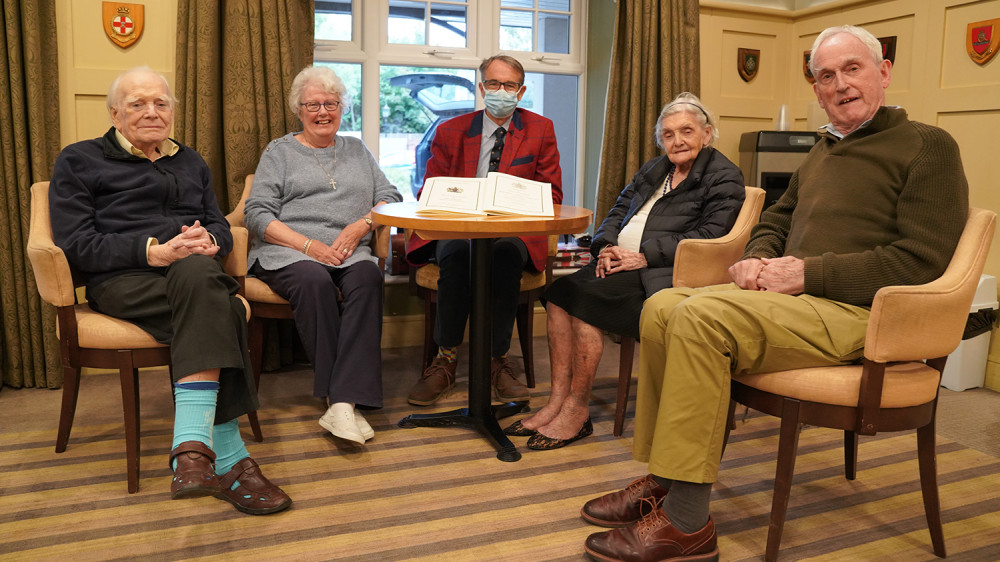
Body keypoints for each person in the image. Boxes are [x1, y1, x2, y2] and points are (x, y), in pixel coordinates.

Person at [580, 25, 969, 561]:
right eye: (825, 76)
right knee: (664, 304)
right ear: (816, 90)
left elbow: (922, 261)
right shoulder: (825, 149)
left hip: (864, 315)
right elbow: (776, 218)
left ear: (883, 72)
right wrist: (758, 258)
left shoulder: (928, 146)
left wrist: (809, 274)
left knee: (698, 320)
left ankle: (688, 523)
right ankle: (665, 480)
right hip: (794, 303)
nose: (839, 85)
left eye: (851, 69)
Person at [49, 66, 291, 515]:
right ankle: (229, 455)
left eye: (161, 103)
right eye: (138, 103)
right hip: (124, 280)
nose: (151, 112)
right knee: (225, 309)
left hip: (191, 273)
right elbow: (75, 244)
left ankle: (193, 455)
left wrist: (212, 240)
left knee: (201, 278)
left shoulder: (190, 160)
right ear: (115, 113)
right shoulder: (79, 160)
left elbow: (216, 219)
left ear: (172, 111)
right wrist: (153, 252)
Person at [504, 93, 745, 451]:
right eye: (668, 134)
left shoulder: (723, 175)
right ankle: (557, 401)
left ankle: (576, 409)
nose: (676, 141)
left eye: (686, 131)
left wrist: (643, 256)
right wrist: (604, 248)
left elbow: (712, 236)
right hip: (623, 264)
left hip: (667, 274)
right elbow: (617, 210)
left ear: (707, 134)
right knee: (557, 295)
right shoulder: (655, 169)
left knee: (584, 301)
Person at [244, 66, 402, 445]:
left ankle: (341, 403)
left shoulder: (356, 149)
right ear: (298, 110)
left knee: (368, 278)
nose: (322, 112)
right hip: (289, 251)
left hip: (348, 250)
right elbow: (256, 213)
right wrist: (307, 245)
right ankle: (342, 400)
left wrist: (361, 225)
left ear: (341, 108)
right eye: (313, 104)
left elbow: (391, 196)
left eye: (330, 103)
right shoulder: (279, 152)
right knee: (313, 281)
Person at [405, 54, 563, 406]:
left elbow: (552, 194)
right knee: (460, 253)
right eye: (493, 84)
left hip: (514, 232)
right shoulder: (451, 131)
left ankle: (497, 360)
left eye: (509, 85)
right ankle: (445, 359)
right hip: (458, 229)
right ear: (481, 88)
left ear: (520, 92)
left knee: (504, 252)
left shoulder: (540, 129)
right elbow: (429, 189)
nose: (500, 91)